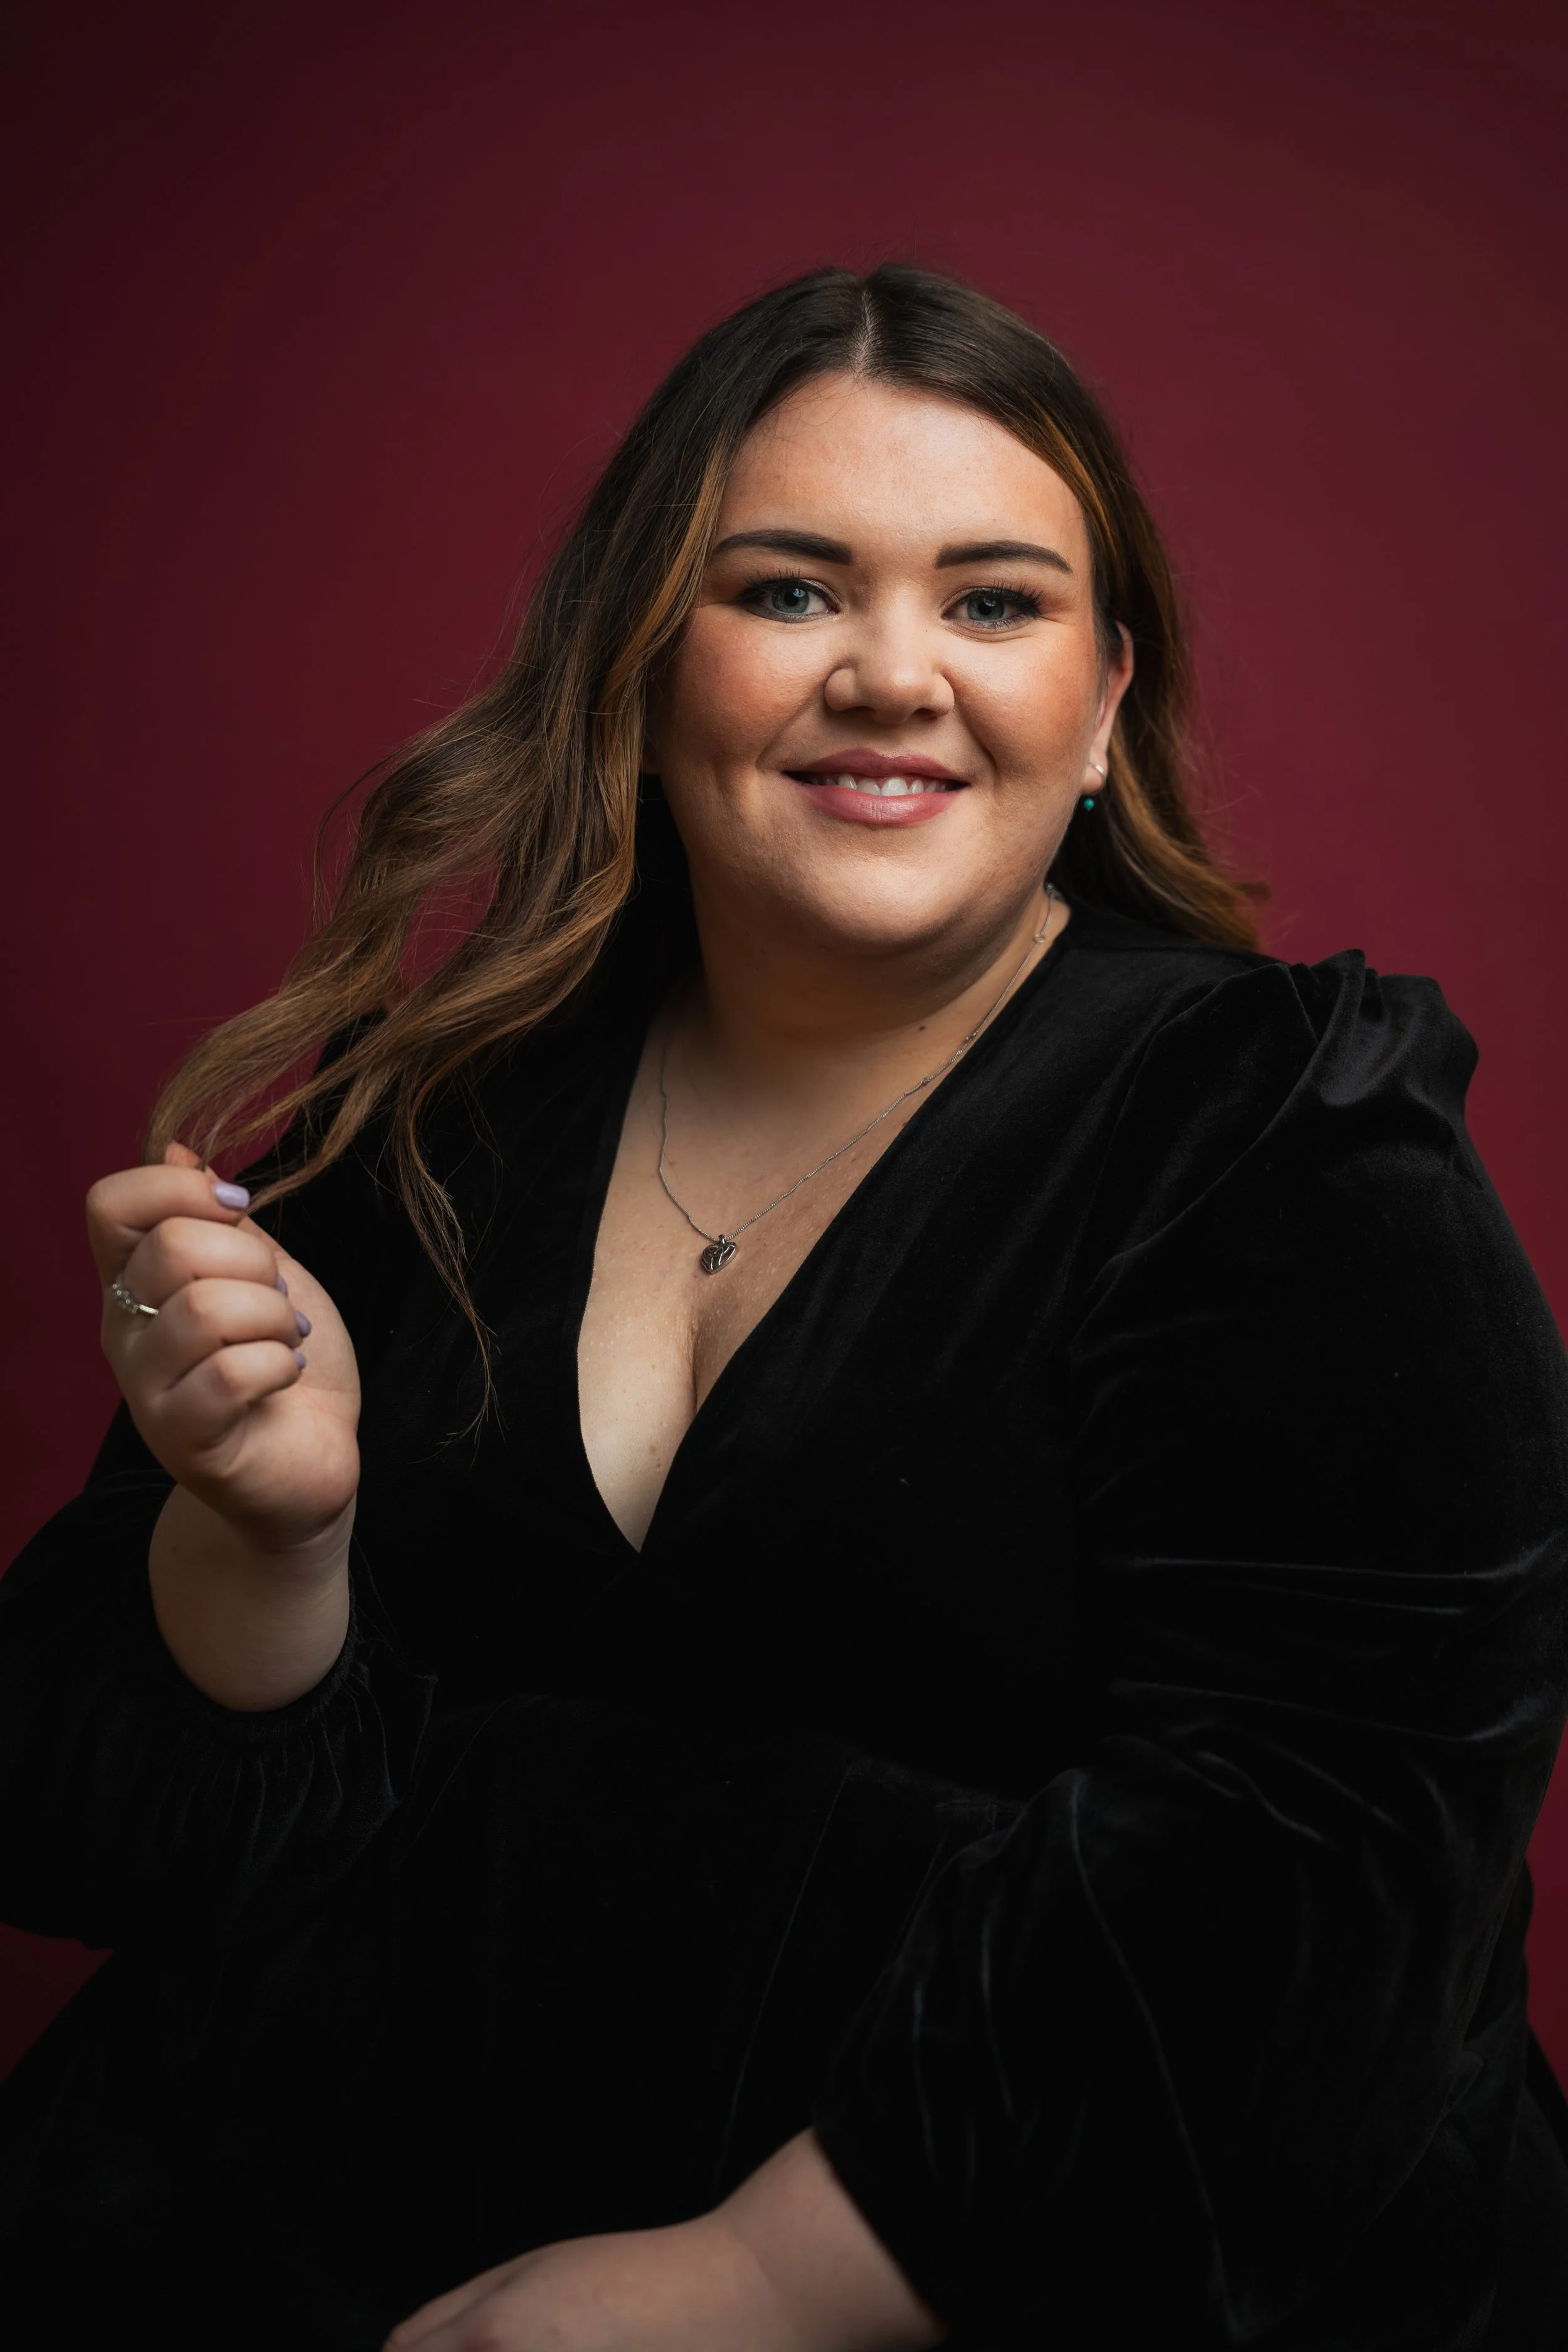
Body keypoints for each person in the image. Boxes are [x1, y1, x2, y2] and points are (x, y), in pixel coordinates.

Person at [1, 263, 1565, 2351]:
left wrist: (747, 2290)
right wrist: (264, 1537)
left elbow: (1326, 1861)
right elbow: (102, 1835)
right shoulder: (418, 1134)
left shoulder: (1277, 1134)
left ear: (1104, 704)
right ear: (645, 664)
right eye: (790, 590)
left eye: (991, 602)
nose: (892, 675)